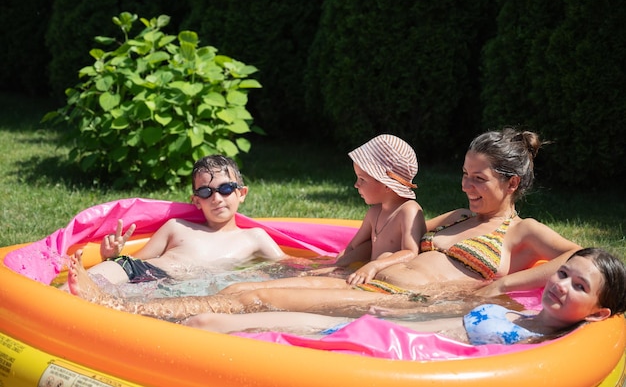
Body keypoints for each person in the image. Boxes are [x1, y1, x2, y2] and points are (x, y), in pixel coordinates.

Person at [67, 128, 583, 321]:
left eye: (480, 179)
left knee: (254, 298)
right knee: (252, 284)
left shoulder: (520, 231)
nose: (468, 186)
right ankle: (130, 304)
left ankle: (114, 309)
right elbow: (395, 244)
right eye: (465, 175)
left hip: (408, 302)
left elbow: (581, 258)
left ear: (512, 183)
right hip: (373, 282)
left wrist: (504, 283)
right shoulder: (456, 217)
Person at [182, 248, 626, 347]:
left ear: (599, 313)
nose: (561, 284)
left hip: (376, 351)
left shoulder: (547, 345)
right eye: (564, 274)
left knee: (222, 333)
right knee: (212, 322)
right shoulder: (529, 315)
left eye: (578, 287)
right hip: (377, 329)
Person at [227, 133, 425, 290]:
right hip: (364, 275)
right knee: (296, 275)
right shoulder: (374, 213)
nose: (356, 185)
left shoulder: (408, 211)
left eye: (362, 179)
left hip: (388, 284)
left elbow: (410, 252)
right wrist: (332, 266)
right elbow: (353, 247)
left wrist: (373, 266)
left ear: (387, 185)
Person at [79, 154, 285, 285]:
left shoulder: (254, 237)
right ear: (196, 201)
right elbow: (138, 260)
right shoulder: (177, 227)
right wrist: (113, 256)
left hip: (183, 290)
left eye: (226, 189)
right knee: (78, 286)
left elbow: (290, 267)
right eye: (206, 192)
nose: (217, 199)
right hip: (142, 272)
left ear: (241, 193)